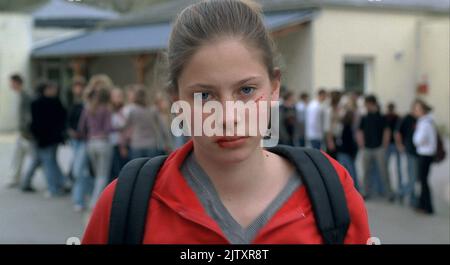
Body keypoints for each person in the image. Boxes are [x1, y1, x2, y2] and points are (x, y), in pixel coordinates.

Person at [83, 0, 369, 244]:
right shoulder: (126, 205)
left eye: (246, 90)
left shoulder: (331, 193)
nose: (228, 117)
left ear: (275, 86)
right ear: (175, 98)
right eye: (204, 95)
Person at [28, 81, 67, 197]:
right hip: (45, 139)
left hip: (49, 139)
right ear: (45, 90)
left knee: (50, 163)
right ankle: (58, 185)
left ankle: (55, 187)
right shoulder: (39, 103)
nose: (54, 91)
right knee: (50, 163)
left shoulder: (54, 102)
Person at [78, 85, 113, 209]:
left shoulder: (87, 109)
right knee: (102, 175)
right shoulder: (106, 110)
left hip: (91, 143)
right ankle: (95, 202)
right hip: (103, 142)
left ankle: (93, 199)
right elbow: (109, 128)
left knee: (96, 174)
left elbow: (81, 128)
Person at [357, 95, 394, 201]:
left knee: (384, 171)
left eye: (366, 104)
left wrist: (384, 145)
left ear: (371, 103)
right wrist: (362, 144)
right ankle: (365, 192)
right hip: (367, 148)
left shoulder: (381, 117)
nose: (365, 106)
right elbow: (360, 131)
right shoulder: (364, 117)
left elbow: (387, 131)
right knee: (366, 172)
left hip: (379, 148)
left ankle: (389, 193)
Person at [122, 86, 169, 159]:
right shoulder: (153, 110)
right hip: (151, 144)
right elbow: (162, 127)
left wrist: (123, 145)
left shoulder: (133, 110)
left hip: (137, 144)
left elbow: (126, 128)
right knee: (151, 168)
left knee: (137, 168)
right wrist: (167, 143)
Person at [5, 74, 34, 188]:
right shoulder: (20, 95)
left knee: (37, 158)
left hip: (26, 133)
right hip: (21, 132)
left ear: (17, 82)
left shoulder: (26, 95)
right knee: (17, 156)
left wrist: (27, 130)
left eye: (11, 82)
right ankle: (14, 178)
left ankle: (55, 179)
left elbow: (28, 115)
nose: (10, 85)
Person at [412, 99, 437, 215]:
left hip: (425, 154)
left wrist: (416, 137)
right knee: (423, 180)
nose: (415, 111)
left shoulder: (424, 123)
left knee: (423, 181)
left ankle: (427, 207)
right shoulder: (427, 121)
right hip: (426, 154)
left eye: (417, 109)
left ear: (422, 110)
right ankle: (423, 205)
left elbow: (418, 140)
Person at [395, 103, 418, 206]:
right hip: (410, 151)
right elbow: (397, 132)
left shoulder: (419, 119)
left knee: (414, 177)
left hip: (419, 153)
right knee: (411, 177)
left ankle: (410, 196)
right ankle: (402, 193)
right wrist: (399, 145)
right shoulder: (406, 118)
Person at [109, 87, 129, 183]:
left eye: (119, 96)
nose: (117, 98)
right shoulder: (109, 110)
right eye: (115, 96)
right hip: (111, 143)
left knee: (122, 169)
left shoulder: (126, 110)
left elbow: (125, 126)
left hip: (123, 143)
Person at [384, 102, 402, 199]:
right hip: (392, 144)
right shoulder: (394, 117)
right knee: (393, 167)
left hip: (393, 144)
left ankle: (397, 188)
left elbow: (396, 131)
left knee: (393, 167)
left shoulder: (393, 117)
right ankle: (397, 188)